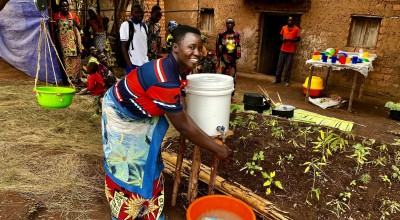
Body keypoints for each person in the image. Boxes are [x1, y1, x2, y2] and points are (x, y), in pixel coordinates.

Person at [101, 25, 232, 220]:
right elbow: (183, 125)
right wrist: (218, 149)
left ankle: (151, 209)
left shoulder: (172, 67)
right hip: (121, 116)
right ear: (176, 48)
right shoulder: (164, 80)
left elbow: (181, 108)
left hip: (138, 110)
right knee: (128, 166)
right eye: (191, 47)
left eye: (199, 48)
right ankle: (129, 211)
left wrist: (201, 133)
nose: (197, 52)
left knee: (149, 161)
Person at [53, 0, 83, 84]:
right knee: (67, 61)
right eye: (63, 6)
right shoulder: (56, 16)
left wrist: (75, 23)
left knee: (76, 60)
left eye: (66, 6)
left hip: (73, 42)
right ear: (60, 7)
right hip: (63, 44)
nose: (65, 8)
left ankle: (76, 79)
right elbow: (54, 30)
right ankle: (69, 79)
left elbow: (79, 28)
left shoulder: (73, 16)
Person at [216, 18, 241, 102]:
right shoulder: (221, 35)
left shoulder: (237, 35)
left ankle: (230, 96)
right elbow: (217, 46)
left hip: (233, 61)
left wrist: (237, 57)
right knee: (222, 77)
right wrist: (218, 57)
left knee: (232, 78)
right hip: (223, 60)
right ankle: (221, 94)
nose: (230, 25)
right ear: (226, 24)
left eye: (231, 23)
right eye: (228, 23)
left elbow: (238, 46)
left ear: (234, 24)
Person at [120, 4, 149, 74]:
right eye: (136, 12)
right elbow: (123, 47)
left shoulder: (145, 26)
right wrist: (130, 65)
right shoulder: (126, 25)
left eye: (141, 12)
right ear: (132, 13)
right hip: (133, 64)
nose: (139, 14)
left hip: (145, 64)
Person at [272, 16, 301, 87]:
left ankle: (286, 81)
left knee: (288, 67)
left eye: (291, 20)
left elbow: (298, 39)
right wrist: (283, 39)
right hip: (283, 49)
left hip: (290, 51)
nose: (290, 22)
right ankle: (277, 79)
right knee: (279, 65)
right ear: (287, 21)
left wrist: (291, 40)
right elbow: (280, 36)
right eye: (289, 20)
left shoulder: (296, 29)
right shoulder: (283, 28)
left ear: (293, 21)